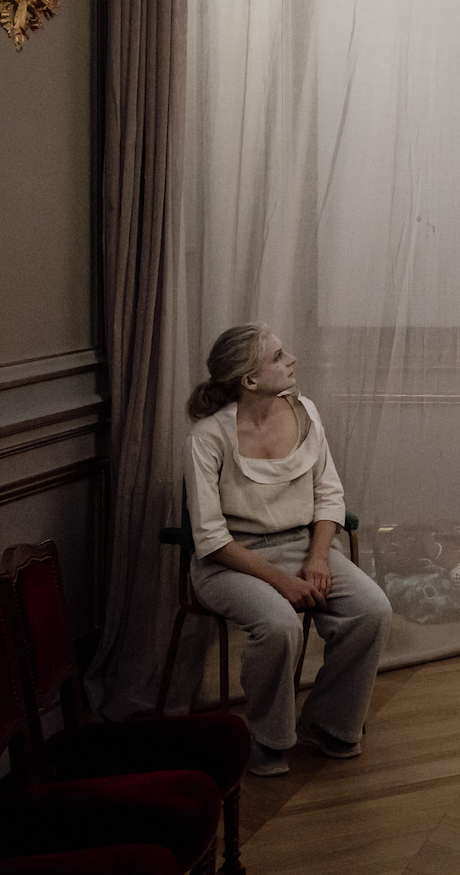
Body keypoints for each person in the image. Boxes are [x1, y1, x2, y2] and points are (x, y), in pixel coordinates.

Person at [185, 324, 391, 777]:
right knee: (279, 625)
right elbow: (211, 538)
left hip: (303, 547)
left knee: (372, 610)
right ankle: (267, 738)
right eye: (278, 356)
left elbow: (329, 496)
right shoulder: (207, 437)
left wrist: (317, 558)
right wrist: (282, 583)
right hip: (231, 564)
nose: (291, 359)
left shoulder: (306, 413)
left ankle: (330, 725)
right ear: (249, 380)